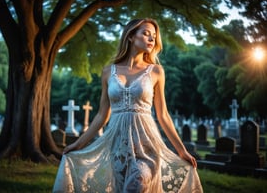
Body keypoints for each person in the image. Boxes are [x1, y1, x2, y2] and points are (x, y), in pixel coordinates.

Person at [53, 18, 203, 193]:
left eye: (154, 36)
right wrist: (78, 144)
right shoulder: (108, 71)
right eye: (146, 33)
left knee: (136, 184)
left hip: (146, 145)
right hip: (117, 145)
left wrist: (181, 150)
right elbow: (102, 115)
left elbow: (163, 115)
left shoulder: (156, 71)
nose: (151, 39)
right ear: (131, 36)